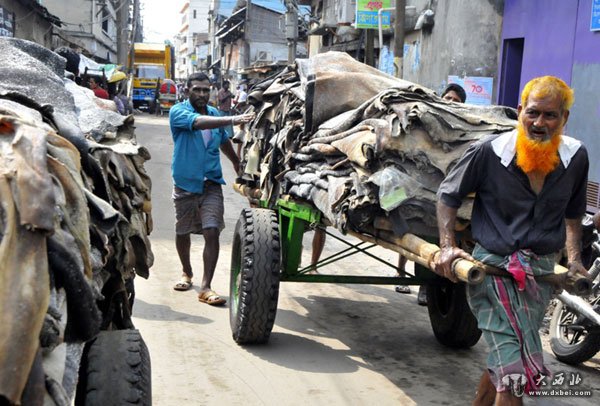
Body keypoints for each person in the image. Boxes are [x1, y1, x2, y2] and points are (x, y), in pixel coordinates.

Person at [434, 76, 589, 405]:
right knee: (513, 373)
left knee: (506, 358)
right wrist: (448, 246)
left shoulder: (575, 158)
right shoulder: (489, 152)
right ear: (520, 111)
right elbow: (448, 195)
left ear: (565, 118)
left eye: (550, 116)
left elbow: (573, 217)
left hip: (541, 277)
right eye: (533, 113)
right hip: (490, 273)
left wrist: (574, 260)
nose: (539, 123)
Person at [169, 72, 254, 305]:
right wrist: (233, 119)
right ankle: (187, 271)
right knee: (182, 231)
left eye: (206, 90)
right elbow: (198, 124)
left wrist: (236, 162)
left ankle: (206, 287)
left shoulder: (215, 113)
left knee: (212, 230)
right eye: (197, 89)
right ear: (187, 90)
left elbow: (223, 140)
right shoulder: (178, 112)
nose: (202, 94)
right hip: (186, 180)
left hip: (212, 182)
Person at [395, 82, 468, 301]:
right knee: (409, 223)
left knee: (436, 234)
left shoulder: (462, 127)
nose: (450, 102)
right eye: (448, 98)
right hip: (419, 182)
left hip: (446, 190)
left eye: (456, 101)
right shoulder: (427, 117)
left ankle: (428, 286)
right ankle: (404, 273)